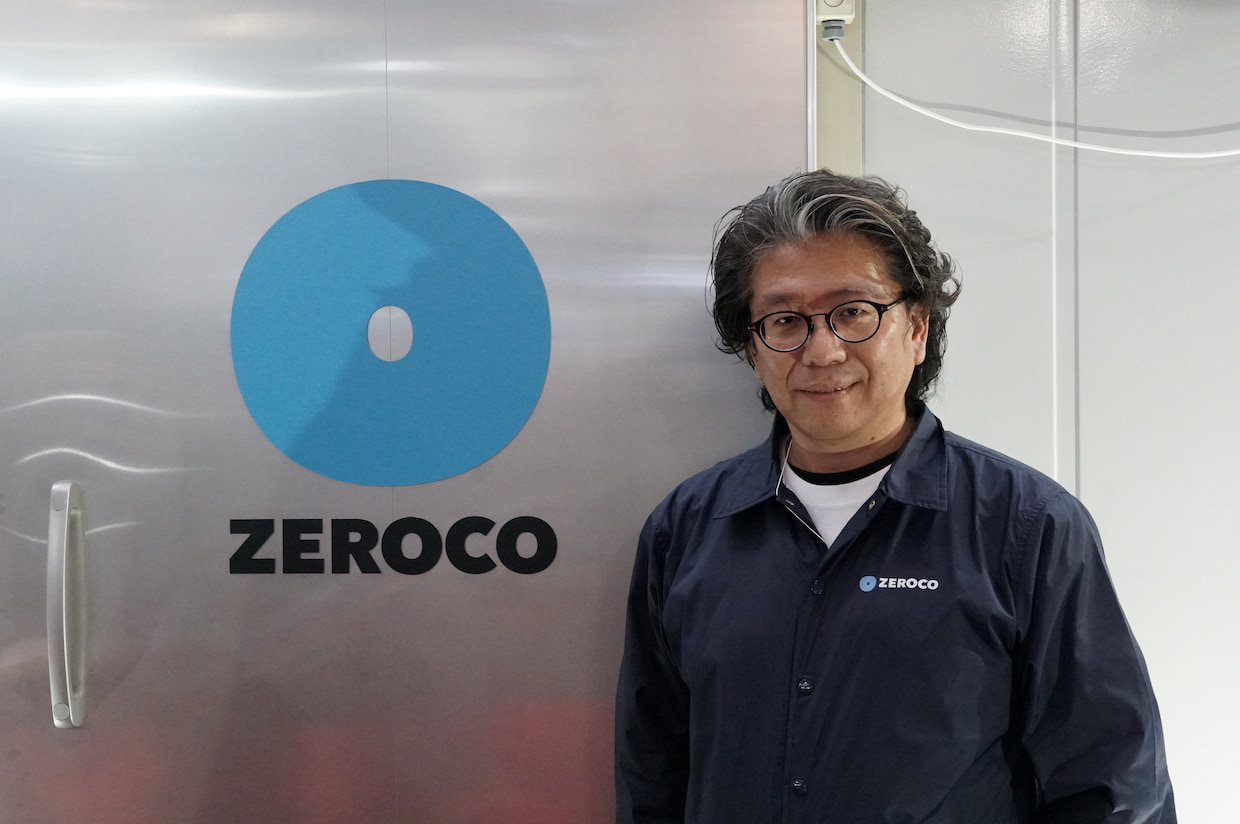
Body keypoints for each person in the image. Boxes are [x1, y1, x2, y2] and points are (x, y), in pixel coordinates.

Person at [614, 169, 1175, 823]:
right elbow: (652, 779)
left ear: (916, 328)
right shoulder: (685, 531)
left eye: (854, 311)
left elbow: (1112, 788)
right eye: (785, 320)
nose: (822, 351)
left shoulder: (1027, 527)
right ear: (752, 348)